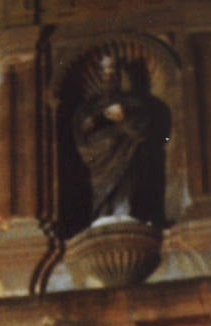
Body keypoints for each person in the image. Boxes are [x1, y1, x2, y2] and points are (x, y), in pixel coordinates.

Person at [72, 52, 168, 226]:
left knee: (128, 182)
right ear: (100, 75)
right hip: (100, 157)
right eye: (106, 72)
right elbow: (81, 135)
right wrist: (92, 122)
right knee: (103, 193)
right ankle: (104, 214)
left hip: (128, 154)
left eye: (113, 72)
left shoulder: (134, 101)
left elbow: (144, 131)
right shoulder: (89, 106)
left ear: (120, 75)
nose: (110, 76)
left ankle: (128, 211)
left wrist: (124, 119)